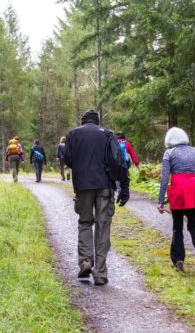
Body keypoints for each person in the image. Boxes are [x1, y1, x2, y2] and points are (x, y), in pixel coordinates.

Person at [65, 109, 120, 286]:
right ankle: (101, 272)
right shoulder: (108, 134)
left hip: (82, 186)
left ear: (83, 121)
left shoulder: (73, 134)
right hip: (104, 185)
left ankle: (86, 261)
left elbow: (68, 159)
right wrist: (122, 184)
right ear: (97, 121)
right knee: (103, 226)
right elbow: (116, 159)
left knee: (85, 222)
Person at [157, 127, 195, 273]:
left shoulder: (169, 153)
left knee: (177, 227)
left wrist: (160, 200)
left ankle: (179, 260)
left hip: (180, 191)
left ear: (169, 140)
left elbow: (164, 178)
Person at [116, 132, 139, 206]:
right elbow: (132, 153)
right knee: (125, 178)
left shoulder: (114, 142)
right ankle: (124, 195)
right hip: (125, 164)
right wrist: (136, 163)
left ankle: (120, 191)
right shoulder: (127, 143)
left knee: (117, 179)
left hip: (116, 164)